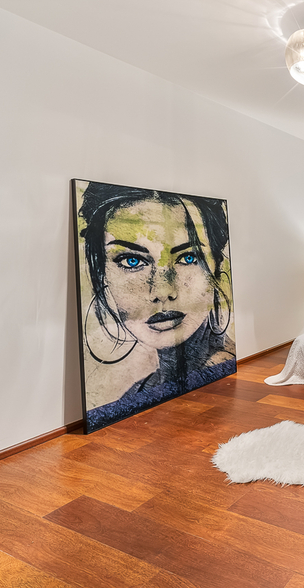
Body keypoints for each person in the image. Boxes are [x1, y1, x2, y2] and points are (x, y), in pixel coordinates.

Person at [75, 180, 236, 431]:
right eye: (131, 261)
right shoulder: (139, 394)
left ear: (217, 268)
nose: (162, 291)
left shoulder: (223, 378)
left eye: (188, 257)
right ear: (102, 274)